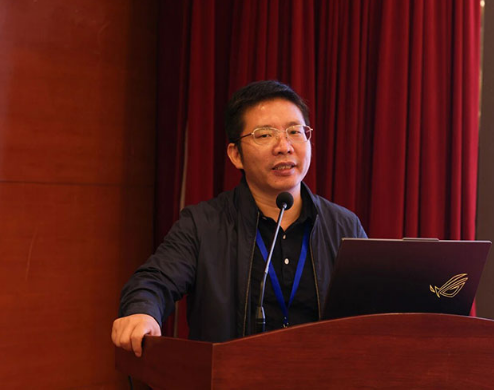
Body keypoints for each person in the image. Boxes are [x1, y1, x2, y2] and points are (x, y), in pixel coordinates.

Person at [112, 80, 367, 356]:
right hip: (230, 374)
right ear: (236, 155)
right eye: (264, 135)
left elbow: (373, 306)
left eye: (295, 131)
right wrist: (142, 312)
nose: (284, 146)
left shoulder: (344, 226)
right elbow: (154, 281)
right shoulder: (202, 225)